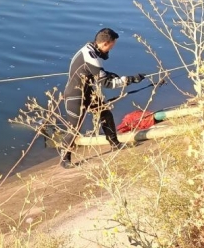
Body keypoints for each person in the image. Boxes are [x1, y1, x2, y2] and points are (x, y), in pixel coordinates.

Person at [60, 28, 145, 169]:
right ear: (105, 43)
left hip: (87, 92)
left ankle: (115, 144)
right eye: (112, 46)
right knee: (74, 128)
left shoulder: (91, 49)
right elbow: (106, 83)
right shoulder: (92, 57)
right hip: (75, 95)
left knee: (105, 112)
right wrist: (129, 80)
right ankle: (64, 158)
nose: (111, 50)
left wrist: (112, 75)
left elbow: (99, 74)